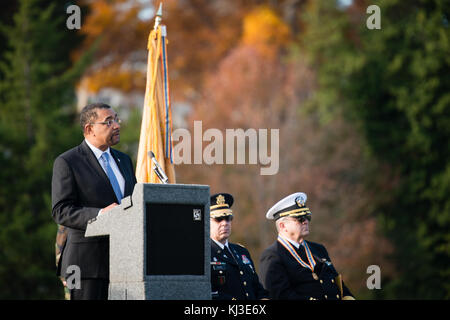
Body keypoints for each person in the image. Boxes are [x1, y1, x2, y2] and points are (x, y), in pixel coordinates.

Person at [52, 102, 137, 300]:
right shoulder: (68, 162)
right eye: (108, 122)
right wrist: (99, 215)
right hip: (85, 265)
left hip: (124, 263)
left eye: (116, 119)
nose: (116, 125)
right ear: (89, 129)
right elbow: (61, 210)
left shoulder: (124, 160)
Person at [259, 192, 355, 300]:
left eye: (307, 217)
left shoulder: (318, 249)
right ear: (282, 226)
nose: (305, 222)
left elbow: (338, 284)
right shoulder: (272, 256)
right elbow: (280, 296)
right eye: (300, 219)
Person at [210, 193, 269, 300]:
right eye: (219, 219)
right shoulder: (204, 254)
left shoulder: (241, 251)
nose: (225, 223)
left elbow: (256, 287)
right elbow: (209, 293)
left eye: (228, 218)